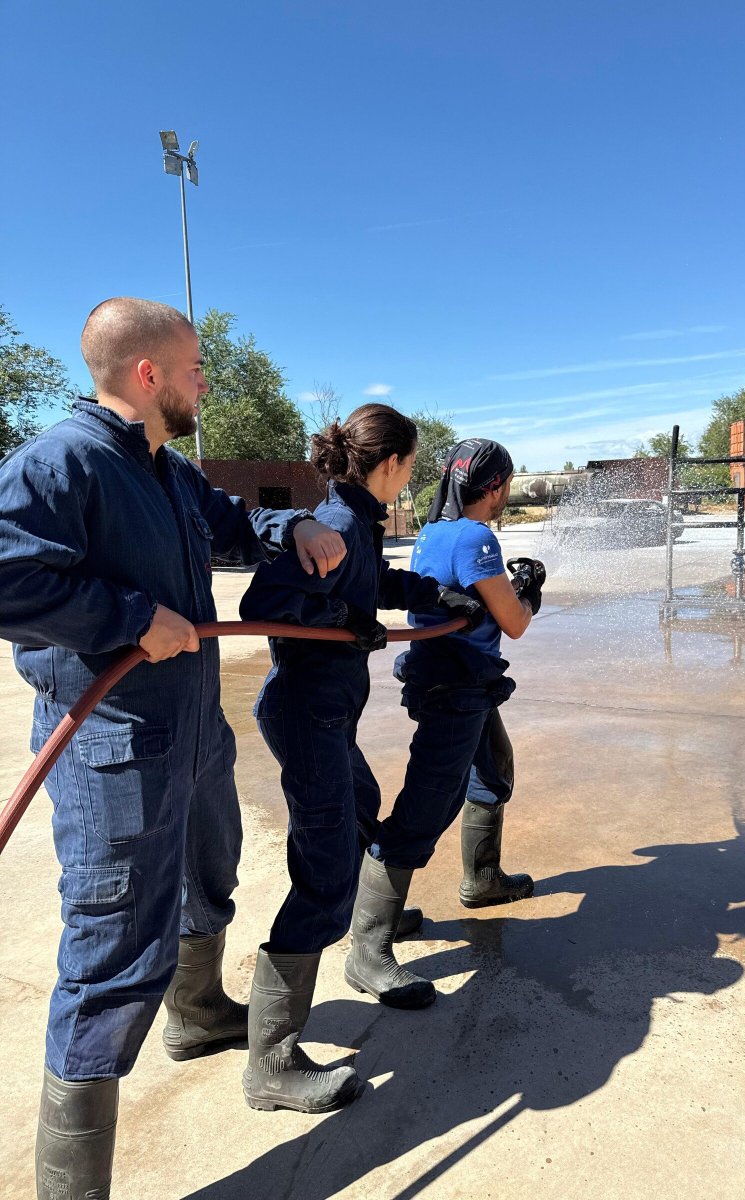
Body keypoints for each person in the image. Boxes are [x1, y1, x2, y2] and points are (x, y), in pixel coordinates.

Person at [0, 298, 346, 1200]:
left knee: (208, 878)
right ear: (146, 374)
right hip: (114, 750)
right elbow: (7, 576)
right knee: (112, 957)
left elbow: (232, 523)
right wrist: (126, 618)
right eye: (195, 369)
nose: (205, 384)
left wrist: (294, 526)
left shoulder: (168, 470)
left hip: (193, 737)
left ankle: (194, 1015)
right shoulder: (61, 463)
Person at [238, 403, 483, 1111]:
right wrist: (343, 620)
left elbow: (372, 583)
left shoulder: (356, 522)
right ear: (393, 464)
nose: (410, 477)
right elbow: (263, 602)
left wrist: (441, 596)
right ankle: (272, 1062)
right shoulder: (340, 523)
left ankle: (363, 944)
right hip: (306, 711)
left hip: (326, 712)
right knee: (326, 873)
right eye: (411, 465)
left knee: (362, 808)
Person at [343, 437, 543, 1009]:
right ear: (496, 487)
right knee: (426, 807)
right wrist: (530, 591)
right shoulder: (477, 536)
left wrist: (508, 588)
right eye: (506, 486)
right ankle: (368, 947)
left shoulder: (433, 532)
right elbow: (514, 622)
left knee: (493, 771)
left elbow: (474, 598)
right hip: (457, 688)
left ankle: (483, 880)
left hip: (455, 677)